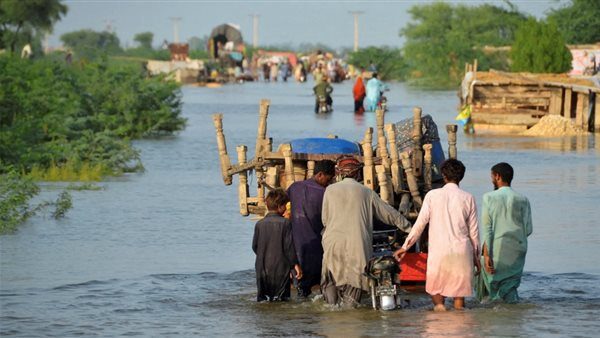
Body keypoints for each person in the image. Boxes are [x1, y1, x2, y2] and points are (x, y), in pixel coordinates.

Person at [321, 156, 412, 307]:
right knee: (354, 286)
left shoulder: (329, 190)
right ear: (358, 174)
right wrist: (410, 228)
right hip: (357, 245)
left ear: (340, 173)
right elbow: (390, 214)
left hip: (332, 244)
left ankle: (331, 309)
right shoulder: (366, 192)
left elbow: (325, 220)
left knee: (331, 282)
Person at [394, 159, 480, 311]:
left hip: (439, 252)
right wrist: (476, 258)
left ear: (443, 175)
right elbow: (474, 233)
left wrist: (405, 247)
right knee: (459, 300)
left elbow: (420, 224)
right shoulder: (468, 198)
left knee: (436, 292)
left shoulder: (432, 196)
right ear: (461, 177)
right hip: (461, 251)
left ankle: (439, 316)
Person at [476, 162, 532, 303]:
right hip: (518, 249)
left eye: (492, 176)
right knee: (511, 288)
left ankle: (498, 319)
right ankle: (514, 320)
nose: (491, 179)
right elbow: (529, 230)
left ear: (497, 176)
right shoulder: (523, 199)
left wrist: (487, 254)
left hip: (497, 248)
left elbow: (488, 229)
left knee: (493, 289)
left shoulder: (489, 197)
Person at [287, 160, 336, 298]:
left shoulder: (294, 187)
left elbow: (284, 203)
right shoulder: (325, 194)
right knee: (321, 285)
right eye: (329, 178)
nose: (329, 182)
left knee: (302, 288)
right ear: (320, 175)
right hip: (316, 246)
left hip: (296, 247)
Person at [252, 189, 303, 302]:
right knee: (282, 300)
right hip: (281, 268)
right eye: (285, 205)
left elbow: (255, 246)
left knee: (263, 300)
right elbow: (289, 247)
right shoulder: (286, 223)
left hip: (262, 268)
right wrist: (295, 265)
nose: (285, 208)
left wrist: (264, 255)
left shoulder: (259, 224)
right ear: (280, 206)